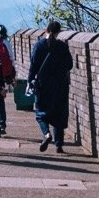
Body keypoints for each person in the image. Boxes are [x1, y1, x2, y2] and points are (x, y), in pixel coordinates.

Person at [28, 20, 75, 152]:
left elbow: (33, 66)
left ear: (46, 30)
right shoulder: (62, 46)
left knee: (41, 113)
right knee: (59, 113)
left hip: (43, 85)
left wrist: (30, 80)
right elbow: (70, 65)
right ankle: (59, 145)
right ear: (58, 32)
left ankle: (47, 134)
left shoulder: (39, 45)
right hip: (60, 85)